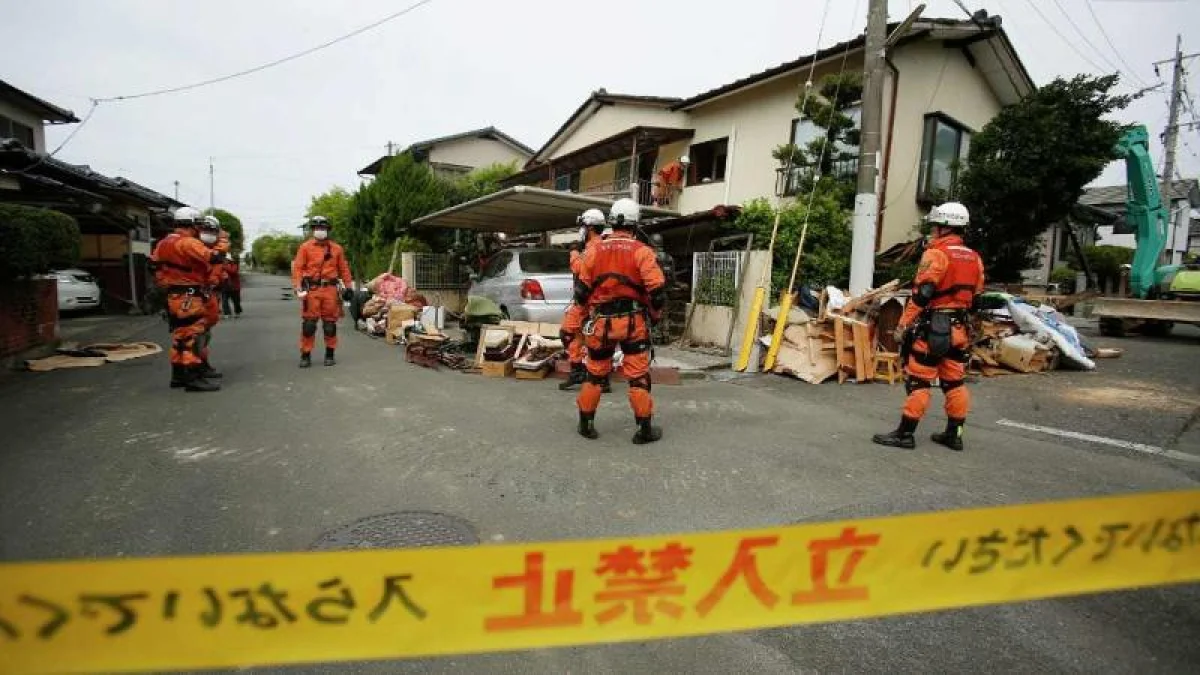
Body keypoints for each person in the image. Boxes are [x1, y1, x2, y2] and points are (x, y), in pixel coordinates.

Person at [872, 202, 984, 451]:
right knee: (954, 382)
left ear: (944, 227)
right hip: (959, 329)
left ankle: (905, 434)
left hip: (934, 328)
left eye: (935, 226)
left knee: (919, 382)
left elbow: (922, 294)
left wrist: (903, 324)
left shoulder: (937, 254)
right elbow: (976, 298)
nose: (932, 231)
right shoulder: (974, 258)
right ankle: (954, 434)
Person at [574, 198, 667, 444]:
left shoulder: (593, 249)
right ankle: (644, 429)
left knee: (594, 374)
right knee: (637, 376)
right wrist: (655, 317)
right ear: (635, 223)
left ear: (612, 222)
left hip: (601, 322)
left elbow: (580, 292)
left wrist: (586, 319)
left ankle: (586, 424)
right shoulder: (642, 251)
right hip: (633, 322)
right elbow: (657, 292)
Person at [149, 206, 225, 392]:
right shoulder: (188, 243)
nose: (200, 229)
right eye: (198, 225)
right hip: (189, 295)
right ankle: (193, 377)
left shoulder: (163, 243)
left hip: (173, 294)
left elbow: (155, 266)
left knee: (180, 336)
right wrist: (221, 241)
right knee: (193, 335)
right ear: (191, 224)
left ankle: (178, 375)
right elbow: (214, 258)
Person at [291, 215, 352, 368]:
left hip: (330, 291)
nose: (320, 231)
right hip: (311, 290)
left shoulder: (336, 248)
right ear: (313, 230)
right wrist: (298, 285)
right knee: (309, 325)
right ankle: (305, 355)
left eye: (322, 228)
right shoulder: (305, 247)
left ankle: (330, 354)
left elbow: (343, 269)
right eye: (317, 228)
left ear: (327, 230)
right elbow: (298, 268)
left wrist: (349, 287)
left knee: (330, 324)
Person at [559, 208, 609, 392]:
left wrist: (573, 252)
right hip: (591, 299)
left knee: (569, 333)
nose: (581, 230)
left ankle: (583, 373)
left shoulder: (594, 247)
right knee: (582, 336)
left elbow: (579, 268)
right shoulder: (599, 246)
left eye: (582, 226)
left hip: (587, 300)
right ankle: (594, 376)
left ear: (589, 227)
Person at [221, 254, 243, 318]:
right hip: (225, 286)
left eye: (226, 259)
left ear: (229, 260)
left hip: (234, 287)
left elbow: (233, 272)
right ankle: (227, 313)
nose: (225, 261)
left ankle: (237, 312)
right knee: (224, 301)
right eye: (224, 259)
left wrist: (225, 267)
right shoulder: (221, 266)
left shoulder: (234, 265)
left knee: (236, 301)